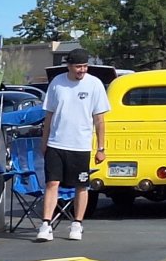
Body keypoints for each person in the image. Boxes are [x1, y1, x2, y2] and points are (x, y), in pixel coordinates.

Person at [35, 47, 110, 242]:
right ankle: (46, 224)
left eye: (85, 66)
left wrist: (101, 148)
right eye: (78, 66)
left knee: (81, 186)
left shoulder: (95, 84)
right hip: (56, 143)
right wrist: (44, 142)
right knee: (52, 183)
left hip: (81, 145)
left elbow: (100, 119)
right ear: (69, 66)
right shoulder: (57, 83)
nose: (82, 70)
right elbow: (49, 115)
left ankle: (77, 224)